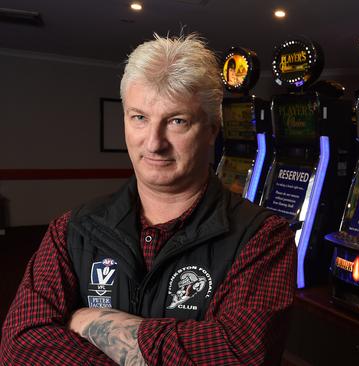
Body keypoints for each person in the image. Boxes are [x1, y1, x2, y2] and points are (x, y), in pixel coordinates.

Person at [0, 33, 296, 365]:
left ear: (213, 129)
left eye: (177, 121)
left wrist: (92, 323)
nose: (154, 143)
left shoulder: (263, 237)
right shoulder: (72, 229)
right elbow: (19, 345)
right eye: (139, 117)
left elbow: (238, 356)